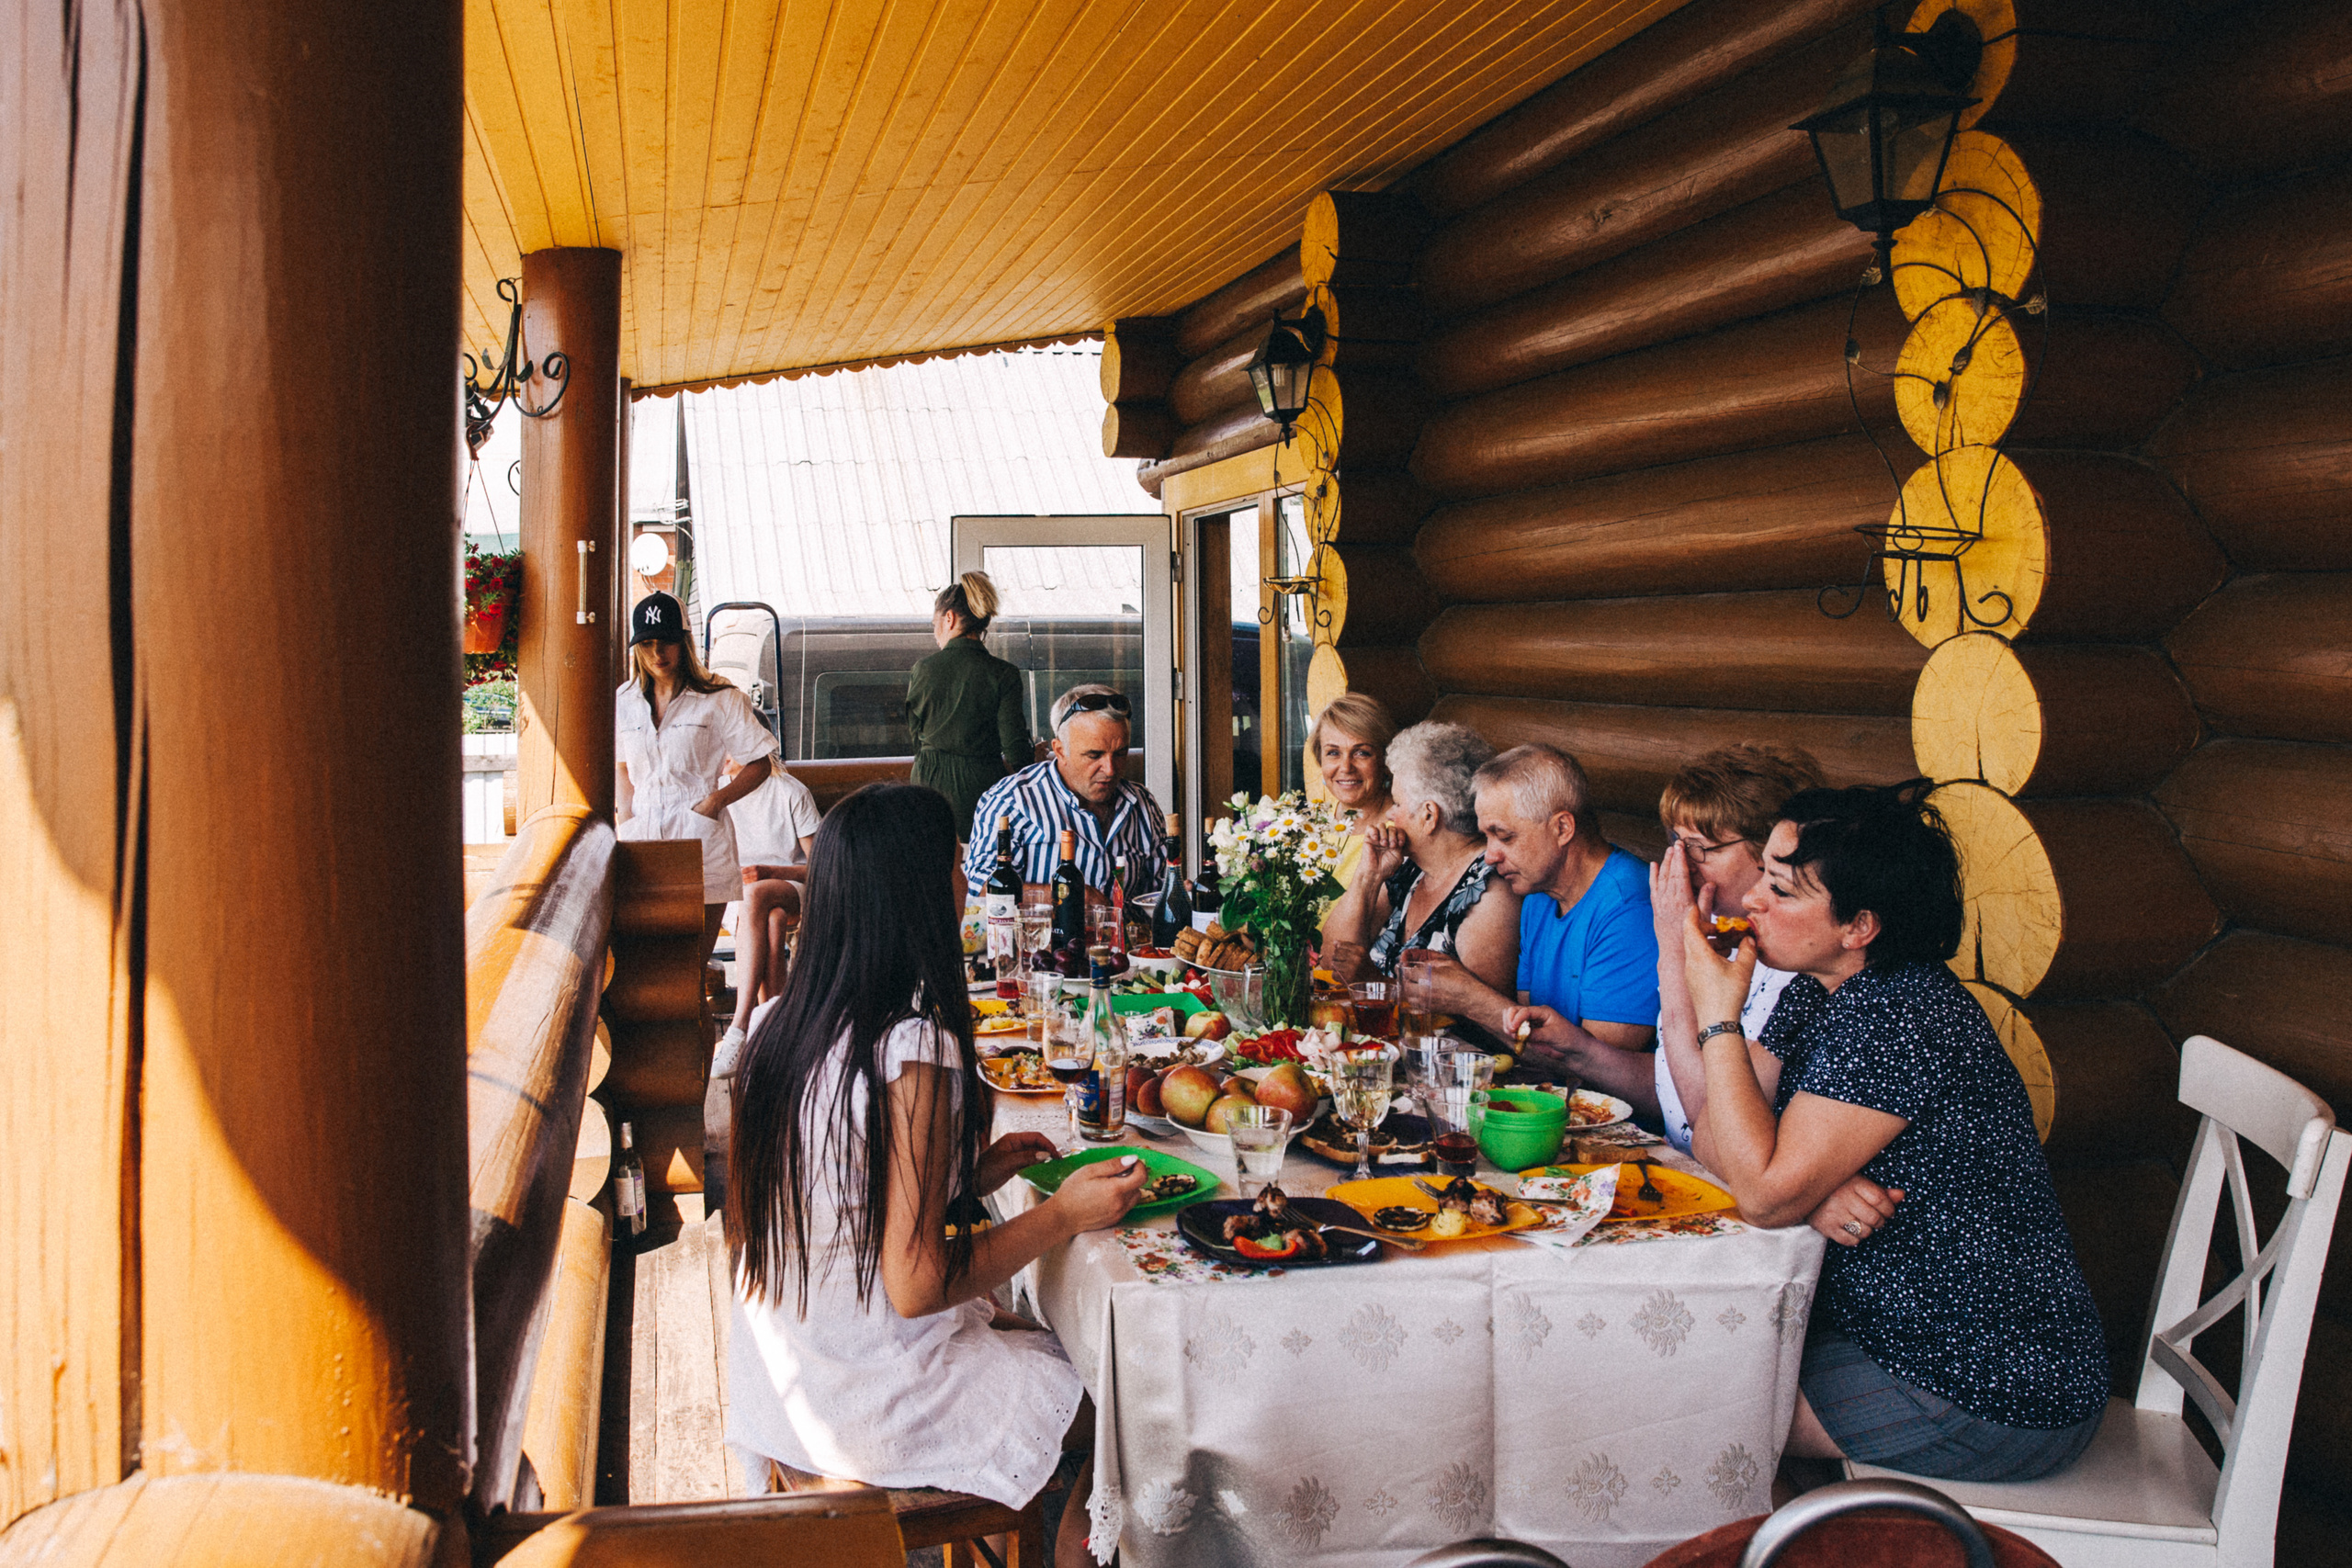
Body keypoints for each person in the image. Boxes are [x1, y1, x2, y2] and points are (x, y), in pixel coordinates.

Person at [726, 784, 1146, 1566]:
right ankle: (1070, 1551)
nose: (967, 882)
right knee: (1133, 1402)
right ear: (917, 890)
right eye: (956, 865)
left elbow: (837, 1188)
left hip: (782, 1374)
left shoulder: (781, 1023)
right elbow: (917, 1283)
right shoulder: (911, 1048)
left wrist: (964, 1177)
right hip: (872, 1400)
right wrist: (1061, 1215)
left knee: (1051, 1335)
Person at [1681, 780, 2108, 1482]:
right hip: (1893, 1335)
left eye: (1781, 889)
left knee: (1696, 1404)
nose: (1752, 898)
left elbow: (1759, 1193)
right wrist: (1812, 1194)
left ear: (1859, 927)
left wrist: (1718, 1017)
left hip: (1989, 1382)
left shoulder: (1900, 1016)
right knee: (1695, 1363)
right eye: (1762, 875)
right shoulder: (1818, 989)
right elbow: (1710, 1133)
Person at [1420, 743, 1657, 1101]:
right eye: (1486, 837)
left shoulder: (1629, 907)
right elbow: (1529, 1047)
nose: (1490, 856)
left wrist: (1471, 999)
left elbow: (1596, 1078)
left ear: (1562, 828)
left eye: (1505, 836)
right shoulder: (1537, 894)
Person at [1645, 745, 1826, 1152]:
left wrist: (1673, 952)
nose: (1682, 862)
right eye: (1676, 842)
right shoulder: (1722, 933)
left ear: (1769, 849)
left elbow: (1710, 1119)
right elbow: (1669, 1087)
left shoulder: (1797, 963)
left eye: (1701, 847)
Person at [616, 592, 776, 963]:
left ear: (684, 642)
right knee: (650, 963)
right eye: (647, 644)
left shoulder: (719, 697)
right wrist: (628, 821)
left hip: (700, 835)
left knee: (691, 967)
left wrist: (714, 802)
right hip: (643, 841)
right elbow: (622, 768)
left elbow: (760, 763)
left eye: (667, 641)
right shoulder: (625, 699)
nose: (658, 653)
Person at [1323, 722, 1520, 1015]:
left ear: (1429, 816)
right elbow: (1332, 962)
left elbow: (1481, 1023)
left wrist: (1375, 984)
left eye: (1397, 803)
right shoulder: (1411, 870)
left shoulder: (1489, 895)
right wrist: (1368, 877)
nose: (1389, 814)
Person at [962, 683, 1167, 901]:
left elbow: (1156, 891)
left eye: (1120, 753)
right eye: (1094, 755)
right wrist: (1068, 895)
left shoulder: (1142, 804)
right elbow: (979, 889)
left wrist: (1175, 894)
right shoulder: (1012, 801)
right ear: (1060, 751)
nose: (1110, 769)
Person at [716, 761, 826, 1074]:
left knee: (757, 897)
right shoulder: (718, 793)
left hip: (790, 886)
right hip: (739, 895)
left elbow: (820, 866)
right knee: (772, 919)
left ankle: (740, 1027)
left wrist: (769, 872)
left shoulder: (790, 792)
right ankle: (776, 1038)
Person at [907, 571, 1030, 840]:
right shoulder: (1004, 674)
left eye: (935, 624)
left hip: (927, 787)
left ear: (949, 618)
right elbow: (1016, 750)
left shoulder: (923, 669)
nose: (935, 633)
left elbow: (916, 736)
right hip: (982, 790)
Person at [1308, 692, 1397, 904]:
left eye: (1362, 753)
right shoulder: (1313, 825)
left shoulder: (1398, 834)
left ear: (1385, 760)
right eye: (1333, 753)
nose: (1346, 767)